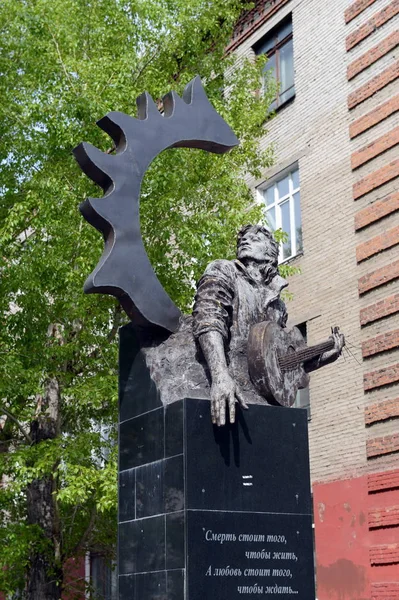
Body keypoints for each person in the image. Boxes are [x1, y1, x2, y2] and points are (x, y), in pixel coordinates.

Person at [193, 225, 344, 426]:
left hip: (262, 398)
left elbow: (282, 363)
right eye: (243, 239)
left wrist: (323, 358)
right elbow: (209, 317)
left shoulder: (278, 304)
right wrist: (220, 376)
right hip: (233, 388)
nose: (245, 241)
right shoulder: (224, 270)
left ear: (270, 254)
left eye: (255, 239)